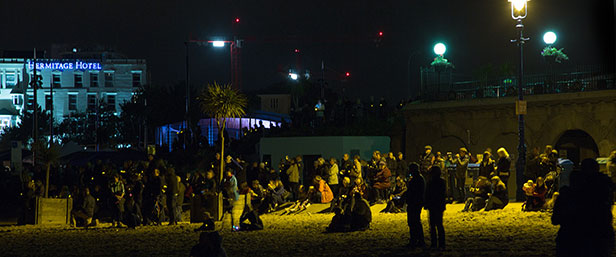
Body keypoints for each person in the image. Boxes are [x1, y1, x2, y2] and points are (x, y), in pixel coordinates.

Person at [552, 158, 614, 257]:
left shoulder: (569, 193)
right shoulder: (603, 188)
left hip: (572, 239)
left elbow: (555, 219)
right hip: (598, 238)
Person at [424, 166, 446, 250]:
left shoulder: (431, 182)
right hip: (439, 206)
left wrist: (426, 203)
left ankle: (434, 243)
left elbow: (428, 194)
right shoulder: (442, 182)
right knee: (439, 225)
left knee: (433, 225)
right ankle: (441, 244)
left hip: (433, 205)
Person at [405, 162, 426, 248]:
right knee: (415, 222)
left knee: (414, 222)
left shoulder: (417, 179)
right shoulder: (419, 178)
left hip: (415, 203)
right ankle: (418, 240)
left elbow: (412, 191)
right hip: (416, 202)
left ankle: (416, 240)